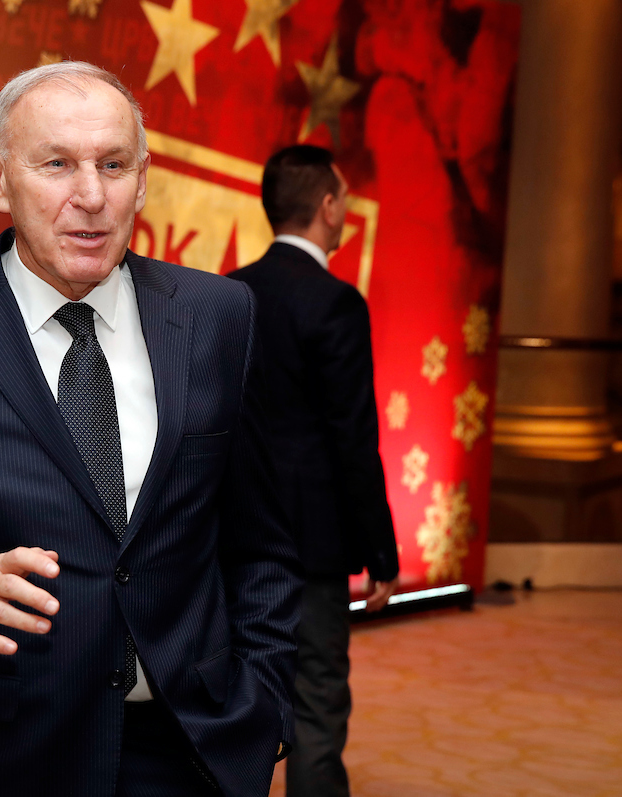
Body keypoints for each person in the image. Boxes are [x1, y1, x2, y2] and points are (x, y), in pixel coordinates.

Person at [0, 61, 302, 796]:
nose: (91, 196)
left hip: (187, 751)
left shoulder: (217, 317)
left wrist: (262, 706)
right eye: (56, 165)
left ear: (143, 178)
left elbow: (261, 538)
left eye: (113, 165)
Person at [228, 145, 400, 797]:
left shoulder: (228, 291)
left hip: (231, 534)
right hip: (310, 545)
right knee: (317, 700)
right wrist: (381, 551)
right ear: (328, 207)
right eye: (345, 198)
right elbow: (353, 439)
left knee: (233, 695)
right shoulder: (336, 302)